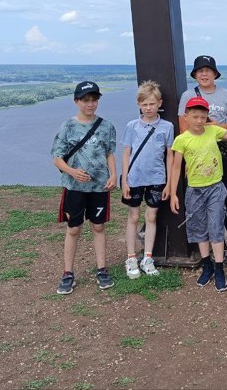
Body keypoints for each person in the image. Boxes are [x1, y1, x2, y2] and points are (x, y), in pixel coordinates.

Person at [168, 96, 227, 292]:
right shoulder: (181, 139)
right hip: (194, 191)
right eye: (195, 116)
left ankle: (219, 268)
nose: (199, 121)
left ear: (207, 117)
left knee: (216, 226)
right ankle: (206, 264)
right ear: (187, 117)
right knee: (199, 228)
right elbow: (176, 168)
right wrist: (174, 193)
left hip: (216, 188)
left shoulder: (214, 131)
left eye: (203, 116)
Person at [177, 55, 227, 263]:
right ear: (195, 75)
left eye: (208, 70)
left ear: (215, 74)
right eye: (200, 71)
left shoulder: (226, 95)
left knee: (226, 198)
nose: (204, 74)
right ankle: (214, 243)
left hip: (221, 154)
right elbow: (183, 127)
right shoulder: (188, 95)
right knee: (201, 200)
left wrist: (215, 128)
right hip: (198, 156)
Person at [51, 81, 117, 295]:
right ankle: (68, 272)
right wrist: (72, 172)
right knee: (74, 228)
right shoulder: (67, 126)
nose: (90, 104)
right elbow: (57, 158)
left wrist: (114, 174)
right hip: (74, 187)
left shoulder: (106, 126)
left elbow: (109, 153)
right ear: (76, 101)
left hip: (99, 187)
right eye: (86, 100)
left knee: (98, 227)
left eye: (94, 100)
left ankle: (101, 268)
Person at [119, 81, 174, 279]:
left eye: (152, 104)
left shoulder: (167, 127)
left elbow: (170, 155)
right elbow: (126, 153)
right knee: (133, 217)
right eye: (144, 104)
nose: (148, 108)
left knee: (151, 217)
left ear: (159, 103)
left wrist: (168, 182)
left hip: (156, 178)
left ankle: (147, 257)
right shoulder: (132, 126)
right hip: (134, 178)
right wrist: (124, 180)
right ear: (139, 105)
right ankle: (131, 256)